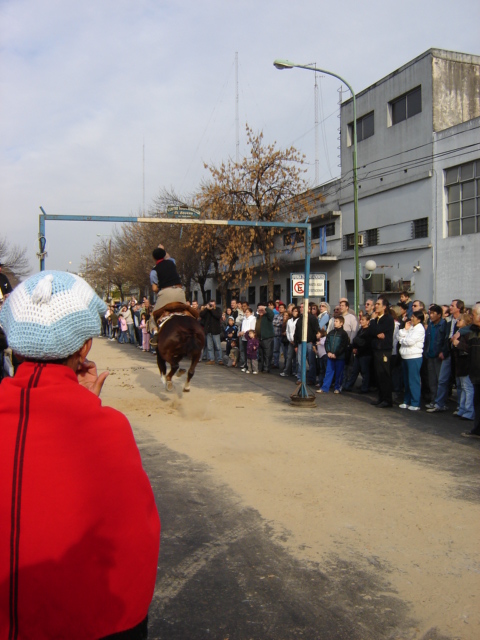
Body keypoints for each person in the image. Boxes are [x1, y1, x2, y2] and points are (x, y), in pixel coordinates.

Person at [0, 270, 160, 639]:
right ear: (86, 347)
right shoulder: (110, 427)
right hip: (96, 625)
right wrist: (85, 407)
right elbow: (136, 540)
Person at [369, 298, 395, 408]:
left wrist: (372, 321)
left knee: (384, 374)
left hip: (384, 350)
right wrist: (376, 331)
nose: (376, 306)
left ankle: (387, 399)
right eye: (376, 304)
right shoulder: (377, 319)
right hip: (376, 349)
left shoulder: (387, 319)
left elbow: (375, 330)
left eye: (378, 304)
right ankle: (381, 397)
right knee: (378, 375)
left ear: (384, 307)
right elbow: (371, 332)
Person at [397, 310, 426, 410]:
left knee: (413, 380)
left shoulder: (420, 329)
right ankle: (407, 401)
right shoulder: (411, 328)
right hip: (405, 356)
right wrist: (405, 330)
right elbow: (399, 335)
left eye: (413, 317)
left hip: (414, 357)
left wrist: (402, 340)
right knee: (406, 380)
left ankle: (415, 403)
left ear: (419, 319)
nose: (411, 318)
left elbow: (410, 341)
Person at [459, 304, 480, 439]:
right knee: (477, 404)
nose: (471, 316)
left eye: (474, 314)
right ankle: (477, 430)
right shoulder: (472, 332)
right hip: (476, 375)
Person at [424, 304, 448, 410]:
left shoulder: (444, 324)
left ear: (439, 315)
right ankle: (433, 401)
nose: (431, 315)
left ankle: (441, 402)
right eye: (430, 313)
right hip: (430, 355)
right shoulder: (430, 325)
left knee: (440, 380)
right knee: (432, 380)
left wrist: (443, 351)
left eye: (434, 313)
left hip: (439, 356)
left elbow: (445, 339)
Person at [316, 316, 349, 394]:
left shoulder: (344, 334)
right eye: (334, 321)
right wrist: (328, 352)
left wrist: (336, 354)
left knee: (339, 373)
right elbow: (327, 343)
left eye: (337, 321)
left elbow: (343, 346)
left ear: (341, 323)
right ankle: (325, 387)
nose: (335, 323)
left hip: (339, 357)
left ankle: (337, 387)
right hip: (330, 356)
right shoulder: (331, 333)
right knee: (328, 372)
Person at [200, 300, 223, 365]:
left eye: (212, 305)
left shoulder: (218, 310)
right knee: (209, 347)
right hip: (208, 331)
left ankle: (220, 359)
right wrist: (206, 309)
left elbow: (218, 316)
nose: (211, 306)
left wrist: (212, 310)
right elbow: (201, 315)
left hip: (215, 331)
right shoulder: (207, 311)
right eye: (210, 305)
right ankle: (211, 359)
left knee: (218, 346)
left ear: (215, 305)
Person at [256, 303, 274, 373]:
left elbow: (271, 314)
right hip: (259, 338)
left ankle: (266, 368)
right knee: (261, 354)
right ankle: (262, 367)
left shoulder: (267, 316)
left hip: (267, 338)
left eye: (262, 310)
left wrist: (265, 308)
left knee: (267, 354)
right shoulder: (257, 317)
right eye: (259, 310)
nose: (260, 311)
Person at [238, 306, 256, 371]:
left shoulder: (253, 319)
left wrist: (244, 332)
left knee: (249, 352)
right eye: (246, 312)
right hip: (244, 337)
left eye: (248, 312)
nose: (246, 313)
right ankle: (245, 365)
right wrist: (241, 332)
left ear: (251, 313)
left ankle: (250, 366)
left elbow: (252, 329)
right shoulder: (244, 319)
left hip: (249, 337)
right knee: (245, 352)